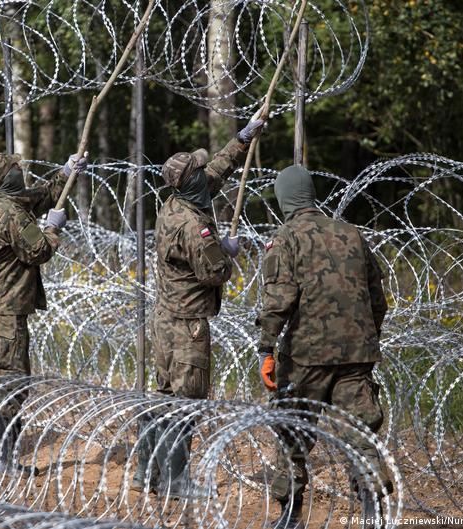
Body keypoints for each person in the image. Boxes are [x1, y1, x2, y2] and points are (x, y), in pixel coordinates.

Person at [133, 119, 263, 499]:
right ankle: (176, 481)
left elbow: (216, 171)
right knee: (185, 402)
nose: (206, 173)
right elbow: (215, 272)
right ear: (191, 182)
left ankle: (147, 473)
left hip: (165, 318)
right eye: (199, 171)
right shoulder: (193, 227)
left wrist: (242, 140)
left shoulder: (174, 203)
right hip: (189, 324)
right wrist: (228, 251)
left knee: (162, 395)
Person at [255, 165, 391, 528]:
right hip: (356, 354)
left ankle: (290, 516)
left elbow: (279, 300)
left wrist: (266, 350)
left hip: (306, 356)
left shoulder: (287, 238)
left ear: (285, 199)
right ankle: (372, 514)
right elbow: (378, 299)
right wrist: (364, 337)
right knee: (360, 431)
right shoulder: (351, 234)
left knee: (292, 431)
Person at [0, 152, 86, 475]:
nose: (20, 172)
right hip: (4, 311)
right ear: (7, 177)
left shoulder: (3, 202)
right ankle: (2, 459)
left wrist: (66, 172)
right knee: (9, 385)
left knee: (3, 383)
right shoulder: (8, 212)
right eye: (15, 169)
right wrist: (52, 229)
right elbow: (37, 250)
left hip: (0, 309)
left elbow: (36, 197)